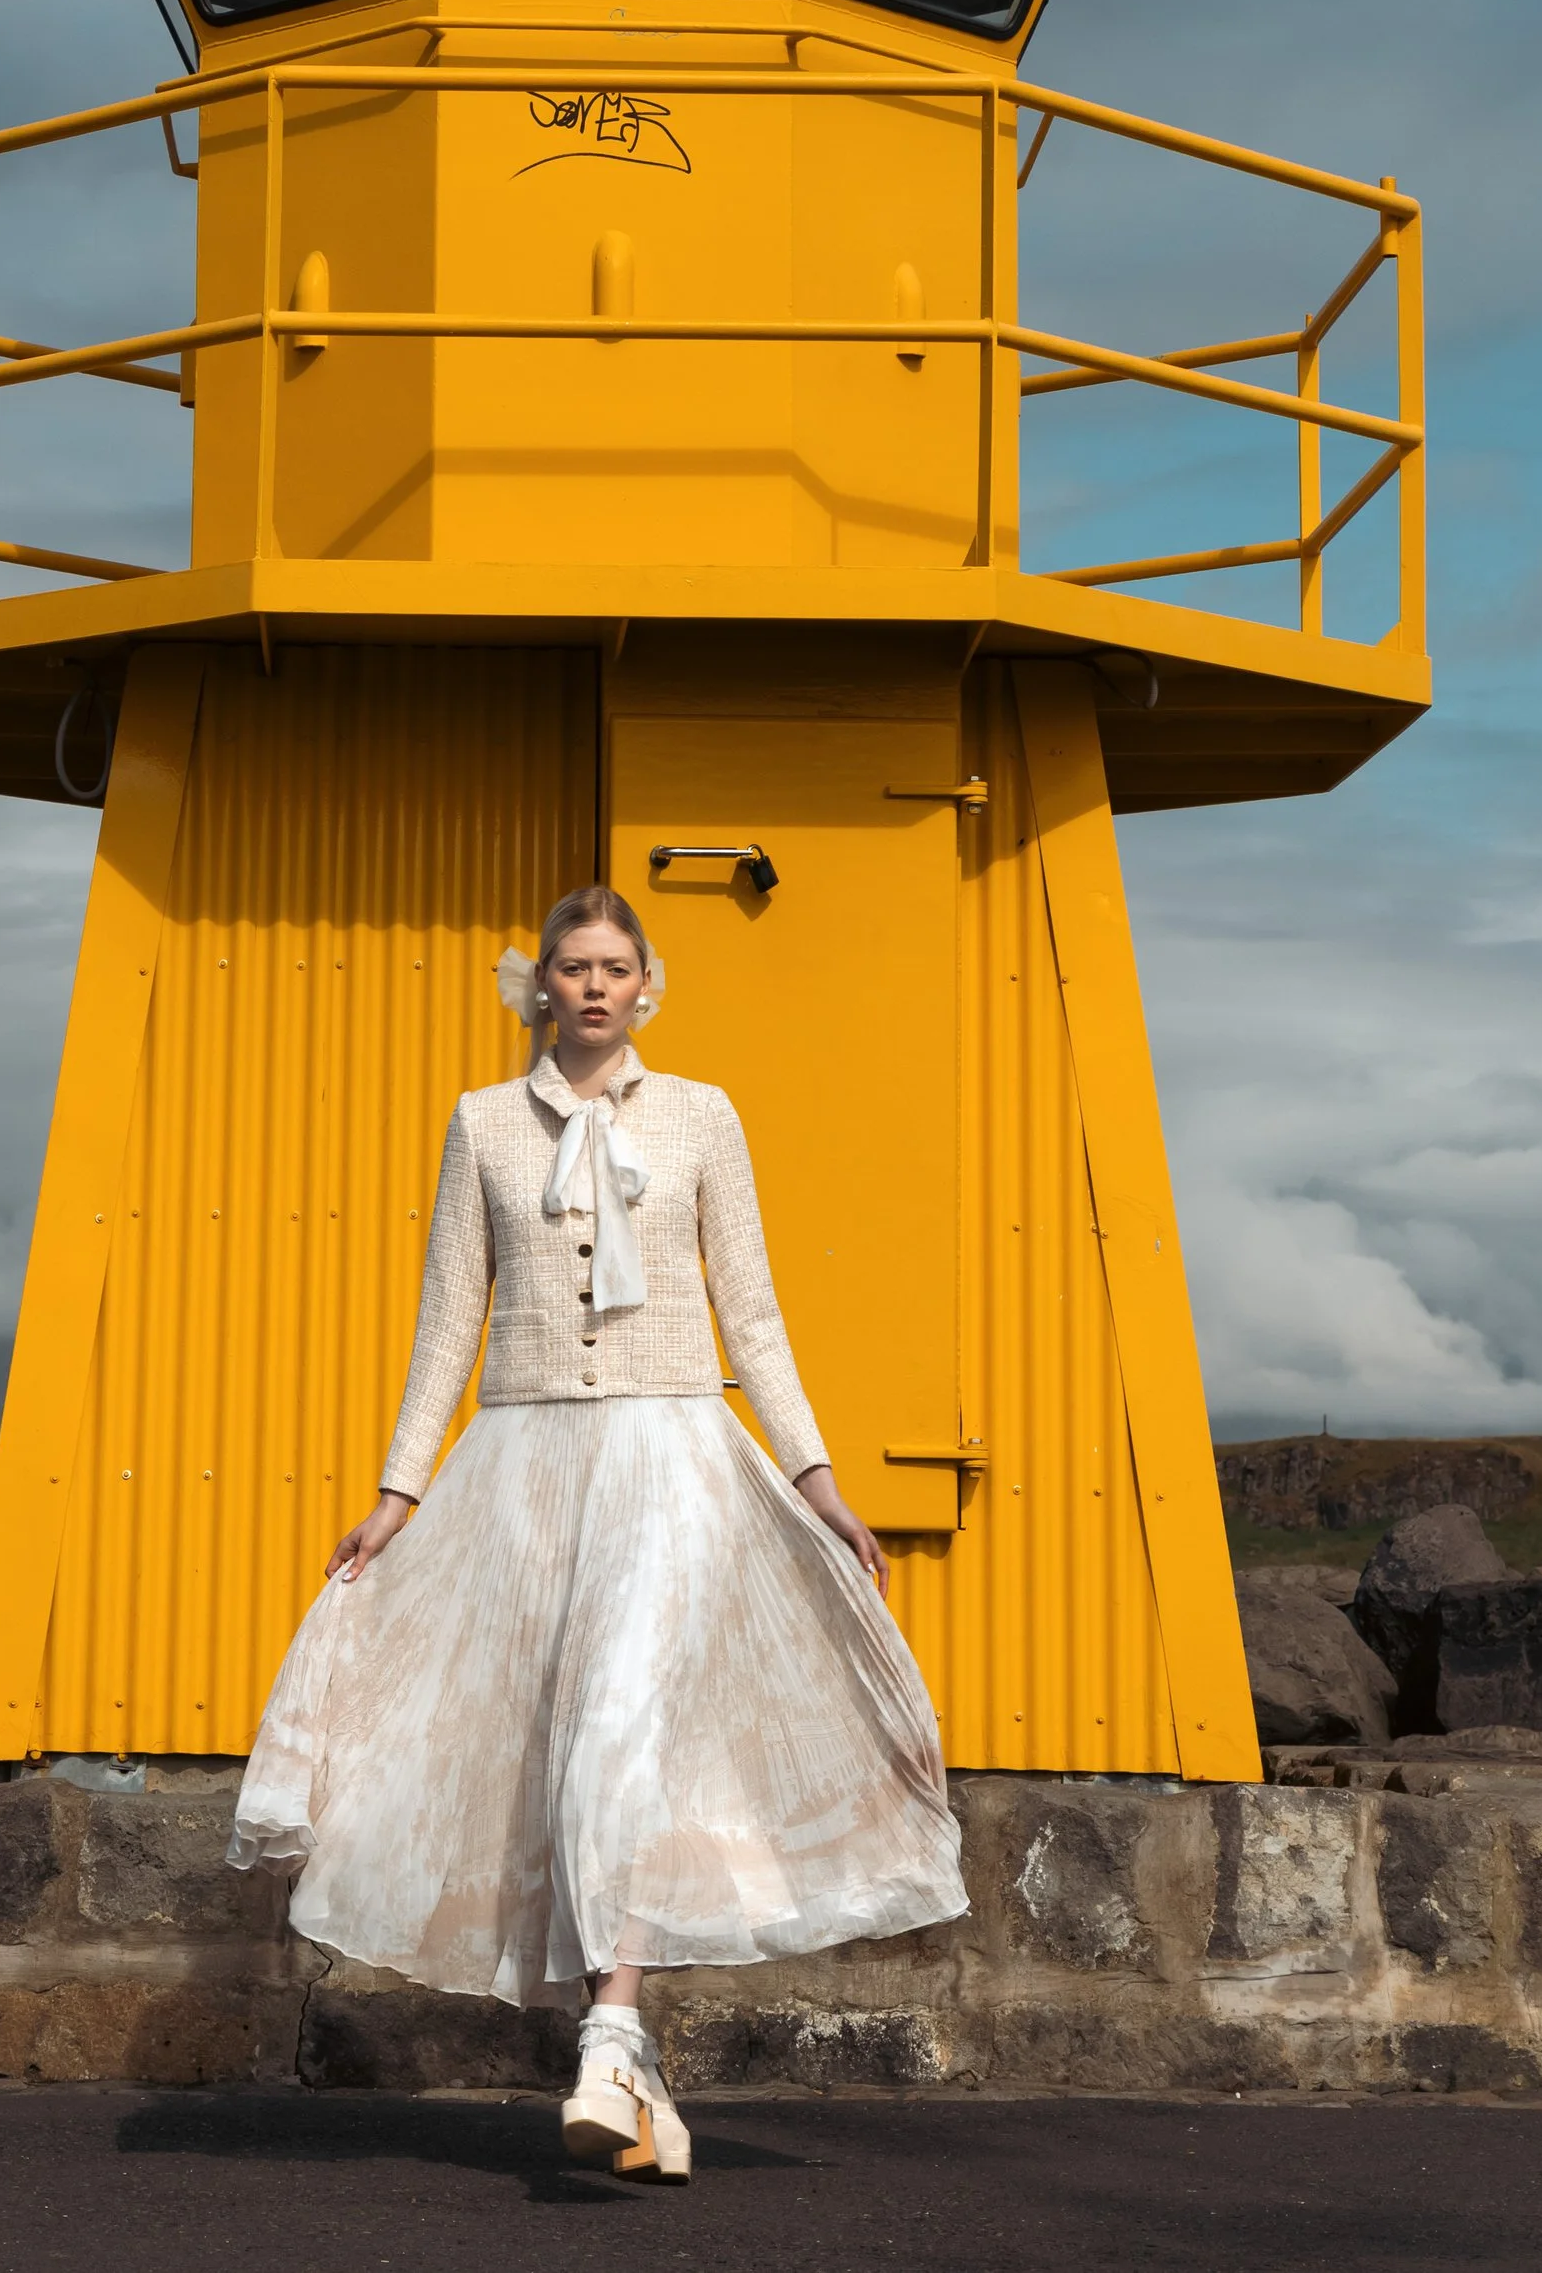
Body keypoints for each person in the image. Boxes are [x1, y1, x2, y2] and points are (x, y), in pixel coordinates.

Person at [228, 883, 967, 2182]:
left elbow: (756, 1315)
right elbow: (447, 1324)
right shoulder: (481, 1127)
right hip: (524, 1466)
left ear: (648, 986)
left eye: (615, 967)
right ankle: (638, 2080)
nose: (594, 987)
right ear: (542, 988)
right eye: (572, 966)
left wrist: (816, 1478)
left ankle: (610, 2034)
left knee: (620, 1727)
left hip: (669, 1455)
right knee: (553, 1754)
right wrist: (400, 1495)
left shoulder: (702, 1118)